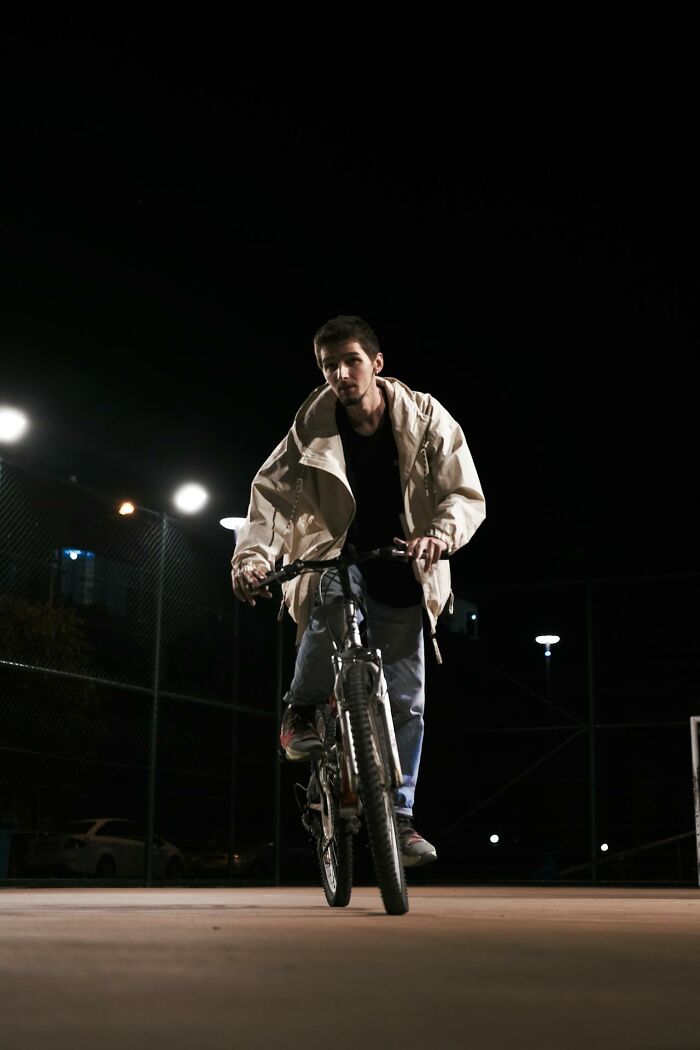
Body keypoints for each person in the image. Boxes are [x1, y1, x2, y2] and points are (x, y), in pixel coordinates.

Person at [231, 315, 485, 867]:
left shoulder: (425, 418)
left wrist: (439, 534)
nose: (340, 375)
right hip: (335, 555)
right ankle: (299, 712)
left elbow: (463, 490)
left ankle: (400, 818)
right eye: (329, 366)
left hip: (402, 560)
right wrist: (252, 560)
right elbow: (270, 499)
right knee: (329, 596)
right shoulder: (311, 426)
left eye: (350, 361)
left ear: (376, 363)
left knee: (408, 700)